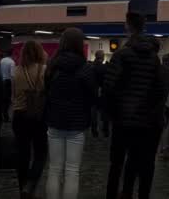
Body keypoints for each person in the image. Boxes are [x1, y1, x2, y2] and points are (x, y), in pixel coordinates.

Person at [104, 13, 169, 199]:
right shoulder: (153, 58)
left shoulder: (121, 55)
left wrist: (113, 114)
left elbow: (110, 87)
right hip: (144, 122)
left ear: (127, 26)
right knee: (137, 161)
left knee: (116, 164)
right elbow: (158, 89)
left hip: (122, 121)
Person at [45, 28, 96, 199]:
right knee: (72, 171)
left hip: (54, 121)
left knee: (54, 169)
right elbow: (92, 96)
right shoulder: (85, 68)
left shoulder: (52, 66)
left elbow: (46, 92)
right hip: (77, 123)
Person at [118, 37, 169, 199]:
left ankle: (126, 192)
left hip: (133, 121)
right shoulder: (164, 72)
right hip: (153, 122)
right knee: (148, 162)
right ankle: (144, 194)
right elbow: (163, 95)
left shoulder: (132, 68)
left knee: (131, 159)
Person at [11, 40, 48, 199]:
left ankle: (22, 189)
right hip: (38, 116)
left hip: (19, 115)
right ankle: (30, 184)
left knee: (22, 154)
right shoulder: (44, 70)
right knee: (40, 153)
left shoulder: (15, 70)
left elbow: (13, 94)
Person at [91, 50, 110, 138]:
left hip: (93, 92)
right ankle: (105, 131)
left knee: (94, 113)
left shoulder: (91, 67)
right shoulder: (105, 68)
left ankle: (94, 131)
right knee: (104, 113)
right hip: (103, 93)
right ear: (102, 57)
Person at [1, 48, 16, 120]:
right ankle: (6, 115)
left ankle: (2, 114)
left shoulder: (2, 60)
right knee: (7, 100)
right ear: (12, 54)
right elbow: (12, 76)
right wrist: (13, 92)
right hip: (8, 82)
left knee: (2, 99)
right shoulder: (12, 62)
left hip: (1, 81)